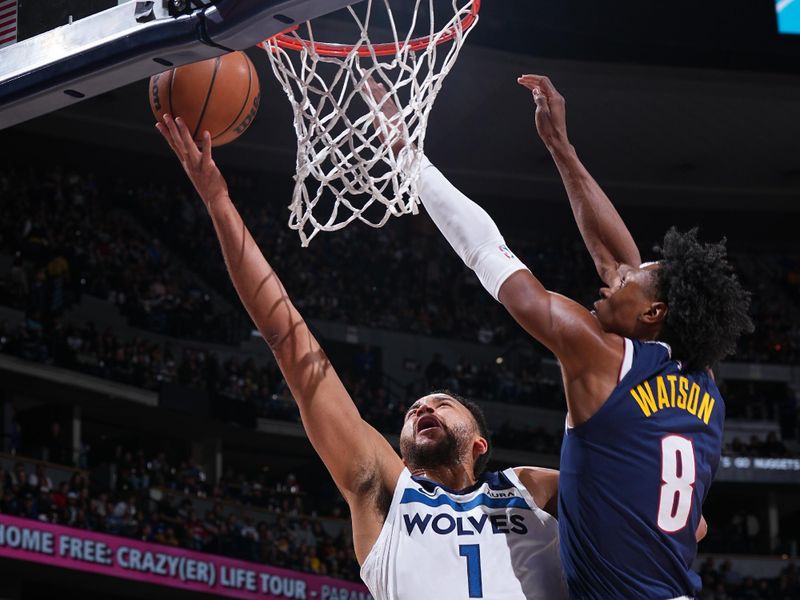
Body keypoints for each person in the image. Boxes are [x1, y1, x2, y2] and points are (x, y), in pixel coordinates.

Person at [369, 75, 752, 599]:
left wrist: (409, 157)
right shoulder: (702, 380)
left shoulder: (601, 359)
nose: (610, 278)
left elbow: (486, 252)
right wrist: (562, 151)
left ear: (654, 312)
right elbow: (621, 259)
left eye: (623, 284)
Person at [155, 115, 566, 599]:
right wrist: (217, 200)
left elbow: (632, 484)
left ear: (479, 444)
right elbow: (288, 340)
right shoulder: (388, 491)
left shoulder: (530, 489)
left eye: (441, 403)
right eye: (416, 409)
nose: (422, 409)